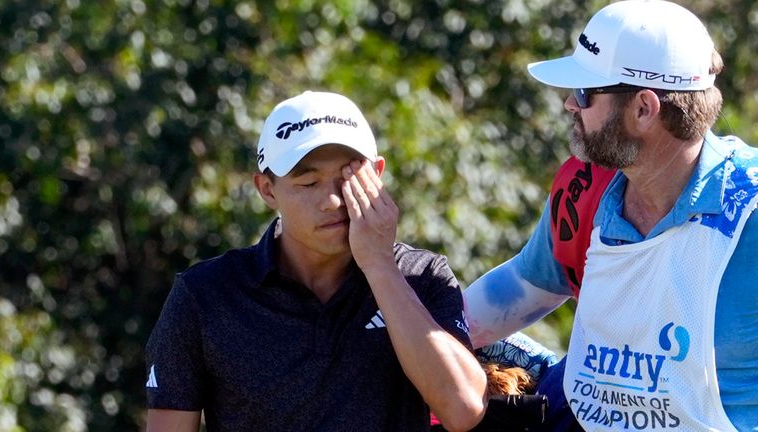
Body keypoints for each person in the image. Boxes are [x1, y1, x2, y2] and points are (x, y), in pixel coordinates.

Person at [463, 1, 758, 431]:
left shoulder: (749, 217)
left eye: (585, 93)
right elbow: (524, 285)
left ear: (643, 108)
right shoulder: (588, 190)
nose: (569, 104)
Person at [144, 91, 488, 431]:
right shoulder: (205, 295)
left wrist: (380, 265)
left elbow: (462, 408)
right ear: (267, 189)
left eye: (348, 178)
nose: (333, 200)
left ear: (377, 174)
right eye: (309, 182)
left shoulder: (422, 276)